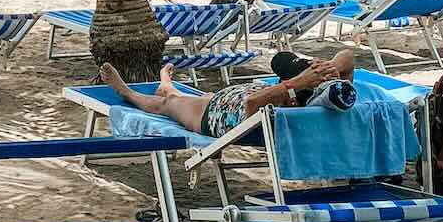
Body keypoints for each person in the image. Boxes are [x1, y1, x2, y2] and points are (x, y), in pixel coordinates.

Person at [95, 48, 357, 139]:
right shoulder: (337, 89)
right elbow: (348, 57)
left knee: (170, 104)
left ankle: (126, 91)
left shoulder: (294, 103)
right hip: (236, 95)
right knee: (189, 96)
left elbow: (252, 105)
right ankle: (166, 85)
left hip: (216, 116)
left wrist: (297, 82)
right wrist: (331, 67)